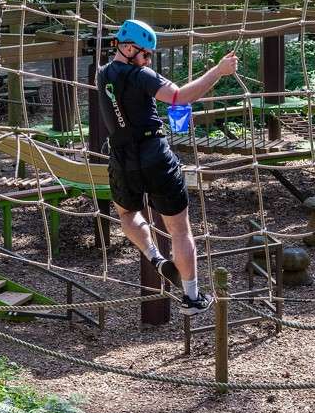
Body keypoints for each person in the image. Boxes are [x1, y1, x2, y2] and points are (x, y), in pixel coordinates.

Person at [96, 19, 238, 314]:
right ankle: (192, 297)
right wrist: (218, 71)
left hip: (122, 158)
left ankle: (155, 257)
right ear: (128, 48)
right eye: (146, 54)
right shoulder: (141, 75)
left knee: (126, 214)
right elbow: (179, 97)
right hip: (154, 155)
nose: (148, 60)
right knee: (180, 230)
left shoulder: (102, 74)